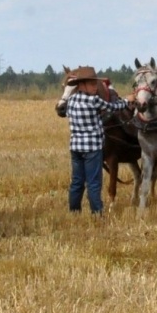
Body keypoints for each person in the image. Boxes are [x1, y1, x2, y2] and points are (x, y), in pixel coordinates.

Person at [56, 66, 126, 214]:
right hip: (92, 148)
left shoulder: (71, 101)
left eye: (96, 84)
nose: (96, 87)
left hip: (75, 148)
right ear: (82, 85)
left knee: (76, 182)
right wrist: (128, 101)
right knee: (94, 184)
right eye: (92, 84)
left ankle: (74, 212)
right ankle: (97, 214)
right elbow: (113, 107)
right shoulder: (94, 101)